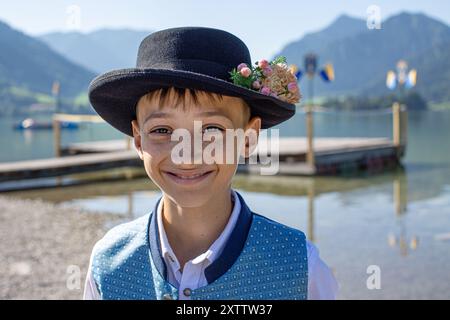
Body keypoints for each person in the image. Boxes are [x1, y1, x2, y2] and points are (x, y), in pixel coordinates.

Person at [84, 26, 338, 300]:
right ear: (138, 139)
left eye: (212, 129)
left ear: (248, 139)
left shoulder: (299, 268)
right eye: (162, 130)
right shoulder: (109, 264)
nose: (188, 154)